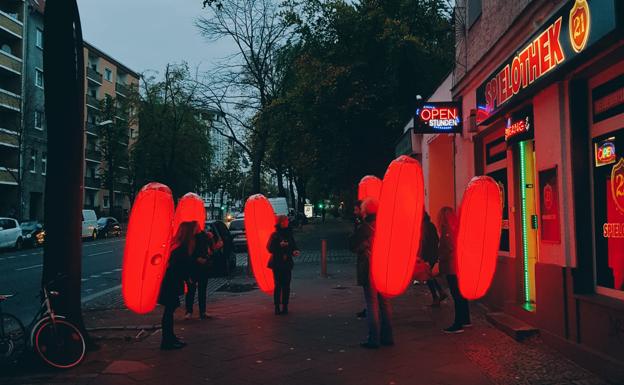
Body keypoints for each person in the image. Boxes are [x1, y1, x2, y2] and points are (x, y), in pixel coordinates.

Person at [350, 198, 394, 349]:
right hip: (384, 266)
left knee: (372, 303)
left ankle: (374, 338)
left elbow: (352, 244)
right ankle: (388, 336)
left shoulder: (365, 227)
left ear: (366, 211)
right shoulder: (385, 225)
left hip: (370, 267)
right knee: (384, 302)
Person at [159, 221, 198, 350]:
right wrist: (187, 278)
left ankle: (170, 337)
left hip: (171, 281)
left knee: (170, 310)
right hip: (171, 283)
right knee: (169, 310)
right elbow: (179, 266)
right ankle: (167, 340)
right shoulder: (181, 248)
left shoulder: (177, 245)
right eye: (193, 230)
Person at [437, 207, 471, 333]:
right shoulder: (457, 228)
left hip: (452, 266)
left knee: (456, 294)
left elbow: (449, 248)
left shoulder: (447, 230)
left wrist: (440, 256)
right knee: (461, 294)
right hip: (459, 265)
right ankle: (466, 320)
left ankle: (458, 323)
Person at [267, 215, 300, 315]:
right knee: (278, 285)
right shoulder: (275, 235)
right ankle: (277, 306)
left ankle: (285, 306)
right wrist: (279, 245)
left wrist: (295, 251)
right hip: (277, 263)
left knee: (286, 285)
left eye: (287, 221)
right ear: (281, 223)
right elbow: (269, 248)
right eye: (285, 221)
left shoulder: (289, 235)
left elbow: (294, 246)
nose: (287, 222)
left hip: (287, 263)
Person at [184, 229, 216, 320]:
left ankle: (201, 311)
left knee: (200, 289)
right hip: (194, 267)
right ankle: (191, 311)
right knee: (192, 289)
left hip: (202, 266)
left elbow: (210, 249)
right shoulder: (192, 237)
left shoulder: (204, 236)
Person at [420, 211, 448, 307]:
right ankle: (440, 293)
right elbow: (436, 239)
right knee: (429, 275)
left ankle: (436, 297)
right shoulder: (430, 225)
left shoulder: (424, 227)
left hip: (427, 256)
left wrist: (421, 256)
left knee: (427, 277)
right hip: (432, 255)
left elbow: (424, 243)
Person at [351, 200, 366, 319]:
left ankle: (375, 334)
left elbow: (354, 243)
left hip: (367, 262)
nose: (354, 212)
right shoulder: (362, 223)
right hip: (369, 261)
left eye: (356, 210)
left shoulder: (364, 226)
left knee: (371, 295)